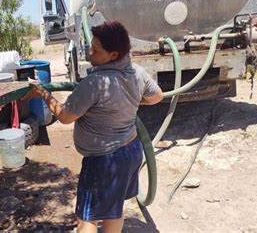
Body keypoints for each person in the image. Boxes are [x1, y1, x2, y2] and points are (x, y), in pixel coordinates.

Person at [22, 21, 163, 233]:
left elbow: (65, 117)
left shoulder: (94, 83)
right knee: (113, 209)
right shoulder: (136, 72)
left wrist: (43, 93)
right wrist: (127, 102)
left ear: (113, 55)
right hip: (131, 152)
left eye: (96, 50)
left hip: (104, 160)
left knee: (87, 217)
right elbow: (156, 97)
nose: (89, 52)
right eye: (90, 45)